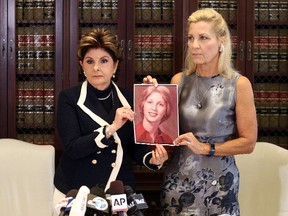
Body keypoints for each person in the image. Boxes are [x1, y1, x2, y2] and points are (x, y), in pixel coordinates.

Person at [144, 8, 257, 216]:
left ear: (221, 41)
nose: (194, 46)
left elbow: (249, 143)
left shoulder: (239, 85)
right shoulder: (178, 81)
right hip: (177, 185)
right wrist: (152, 95)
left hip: (220, 187)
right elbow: (167, 138)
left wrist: (204, 147)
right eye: (191, 38)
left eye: (203, 38)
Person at [53, 28, 168, 214]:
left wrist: (153, 159)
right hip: (76, 191)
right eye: (90, 61)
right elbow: (72, 148)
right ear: (82, 65)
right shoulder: (69, 98)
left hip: (119, 191)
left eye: (104, 61)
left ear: (115, 66)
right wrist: (110, 128)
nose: (96, 68)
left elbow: (136, 147)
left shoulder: (130, 98)